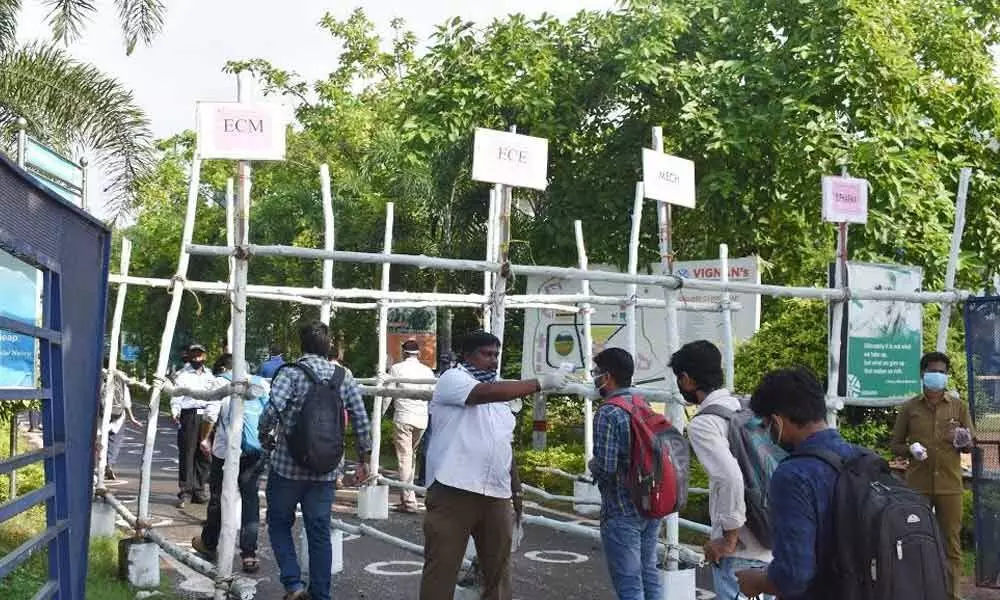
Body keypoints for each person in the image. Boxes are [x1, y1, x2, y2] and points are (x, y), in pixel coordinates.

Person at [420, 331, 567, 600]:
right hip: (454, 488)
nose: (493, 360)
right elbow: (482, 393)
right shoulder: (453, 379)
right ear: (466, 355)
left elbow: (503, 445)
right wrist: (541, 382)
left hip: (497, 493)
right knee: (442, 568)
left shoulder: (501, 391)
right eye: (486, 354)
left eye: (496, 354)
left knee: (498, 573)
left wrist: (517, 489)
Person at [259, 321, 372, 600]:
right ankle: (321, 594)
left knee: (279, 523)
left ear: (302, 345)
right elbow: (360, 418)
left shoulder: (291, 373)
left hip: (287, 466)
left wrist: (264, 435)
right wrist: (364, 458)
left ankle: (294, 585)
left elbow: (272, 409)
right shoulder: (342, 376)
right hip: (325, 469)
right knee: (319, 531)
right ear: (328, 345)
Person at [736, 367, 863, 599]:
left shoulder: (793, 475)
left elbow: (793, 576)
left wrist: (756, 580)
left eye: (766, 426)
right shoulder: (863, 459)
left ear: (777, 421)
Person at [670, 341, 772, 600]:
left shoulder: (704, 424)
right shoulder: (746, 407)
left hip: (741, 551)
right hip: (772, 536)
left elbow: (730, 478)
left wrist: (728, 539)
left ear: (687, 379)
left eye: (679, 379)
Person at [166, 353, 270, 574]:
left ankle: (210, 543)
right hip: (256, 450)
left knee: (219, 496)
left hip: (227, 451)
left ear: (225, 367)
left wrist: (205, 438)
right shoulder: (260, 383)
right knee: (250, 499)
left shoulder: (222, 382)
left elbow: (211, 414)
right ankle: (249, 554)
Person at [891, 351, 973, 600]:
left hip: (949, 485)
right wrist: (911, 449)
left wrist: (961, 439)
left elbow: (969, 445)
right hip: (918, 485)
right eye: (933, 371)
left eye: (942, 372)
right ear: (922, 374)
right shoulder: (910, 408)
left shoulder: (958, 407)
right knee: (914, 539)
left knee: (951, 544)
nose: (937, 376)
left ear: (946, 376)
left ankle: (952, 594)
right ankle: (917, 592)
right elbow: (895, 445)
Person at [589, 347, 662, 600]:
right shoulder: (644, 404)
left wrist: (591, 465)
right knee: (649, 573)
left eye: (596, 372)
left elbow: (606, 468)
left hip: (621, 509)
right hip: (651, 503)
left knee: (629, 583)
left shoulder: (608, 411)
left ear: (607, 376)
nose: (594, 377)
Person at [387, 339, 435, 513]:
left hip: (403, 417)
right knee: (410, 457)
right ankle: (407, 496)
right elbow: (432, 395)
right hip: (421, 419)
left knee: (405, 458)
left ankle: (409, 501)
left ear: (403, 352)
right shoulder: (427, 371)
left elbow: (388, 394)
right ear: (419, 353)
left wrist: (379, 414)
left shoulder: (397, 369)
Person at [170, 343, 219, 507]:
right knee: (187, 453)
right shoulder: (182, 375)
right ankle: (185, 491)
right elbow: (176, 395)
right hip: (189, 415)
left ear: (205, 356)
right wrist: (175, 410)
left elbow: (214, 396)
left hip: (206, 415)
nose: (197, 358)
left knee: (204, 454)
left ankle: (199, 490)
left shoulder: (210, 376)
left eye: (200, 355)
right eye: (194, 355)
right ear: (190, 357)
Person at [100, 363, 142, 481]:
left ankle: (100, 466)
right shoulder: (121, 378)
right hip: (118, 416)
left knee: (100, 442)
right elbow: (127, 401)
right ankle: (110, 464)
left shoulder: (98, 377)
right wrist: (132, 417)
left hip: (102, 417)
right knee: (115, 442)